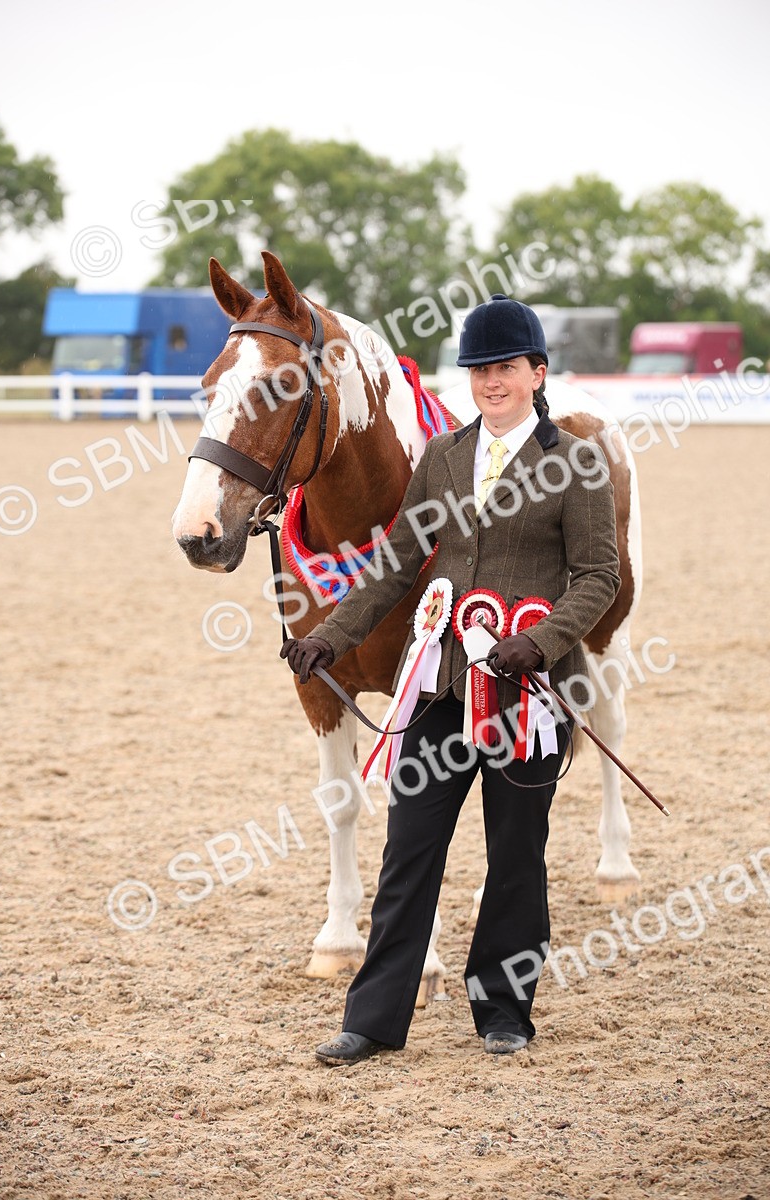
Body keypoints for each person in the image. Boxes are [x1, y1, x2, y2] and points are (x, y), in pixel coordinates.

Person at [281, 294, 620, 1065]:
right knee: (409, 849)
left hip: (527, 697)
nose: (490, 382)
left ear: (538, 373)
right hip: (438, 688)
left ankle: (504, 1009)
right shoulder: (442, 457)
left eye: (505, 367)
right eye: (478, 370)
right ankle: (372, 1020)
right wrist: (328, 637)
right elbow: (396, 561)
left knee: (515, 854)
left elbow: (597, 577)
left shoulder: (575, 461)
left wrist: (538, 644)